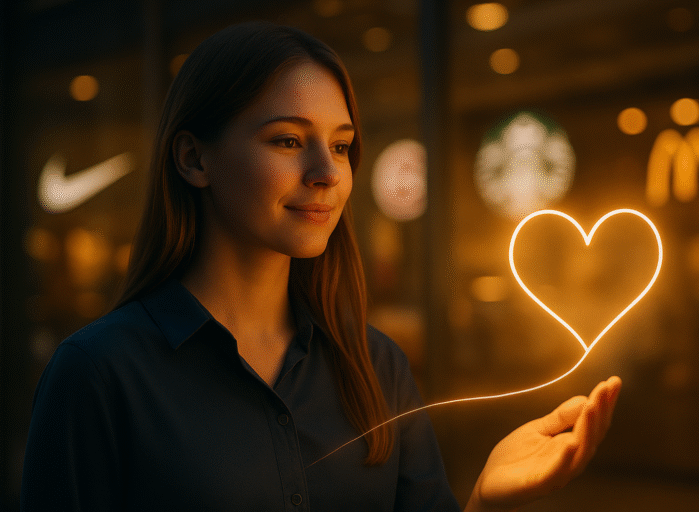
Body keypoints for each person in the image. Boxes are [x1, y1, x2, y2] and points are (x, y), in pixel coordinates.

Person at [21, 21, 622, 511]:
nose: (327, 174)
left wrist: (487, 501)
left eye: (340, 145)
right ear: (192, 157)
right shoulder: (99, 376)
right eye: (287, 140)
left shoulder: (375, 364)